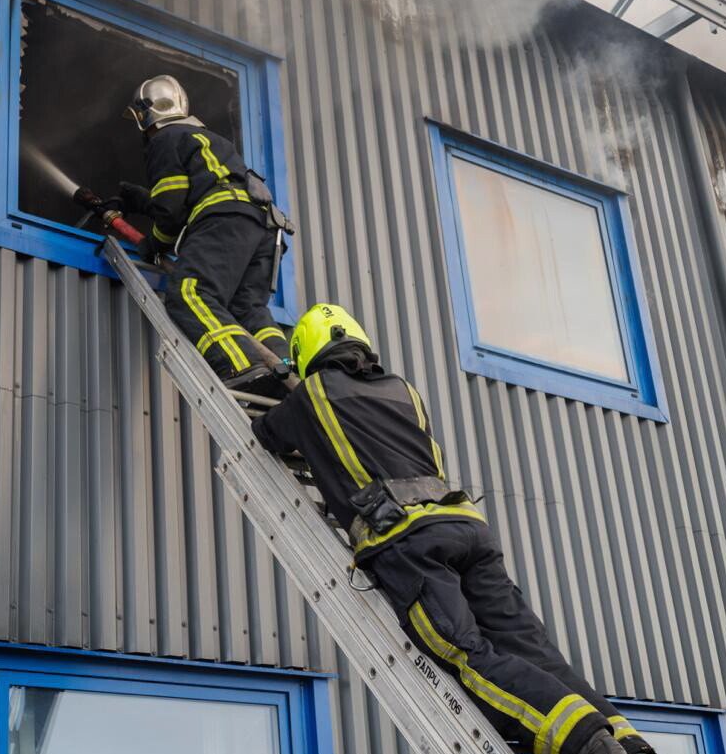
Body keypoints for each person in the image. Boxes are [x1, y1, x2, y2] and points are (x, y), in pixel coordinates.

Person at [250, 303, 657, 754]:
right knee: (531, 646)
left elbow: (266, 434)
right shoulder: (403, 391)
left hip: (410, 543)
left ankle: (586, 743)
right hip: (467, 528)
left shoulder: (312, 395)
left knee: (463, 652)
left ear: (308, 353)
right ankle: (626, 737)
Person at [117, 74, 291, 398]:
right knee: (247, 308)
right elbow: (187, 193)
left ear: (146, 117)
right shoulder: (207, 139)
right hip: (264, 226)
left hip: (227, 218)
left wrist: (152, 243)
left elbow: (171, 210)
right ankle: (283, 368)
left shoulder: (165, 139)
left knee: (189, 292)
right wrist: (141, 200)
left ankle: (238, 365)